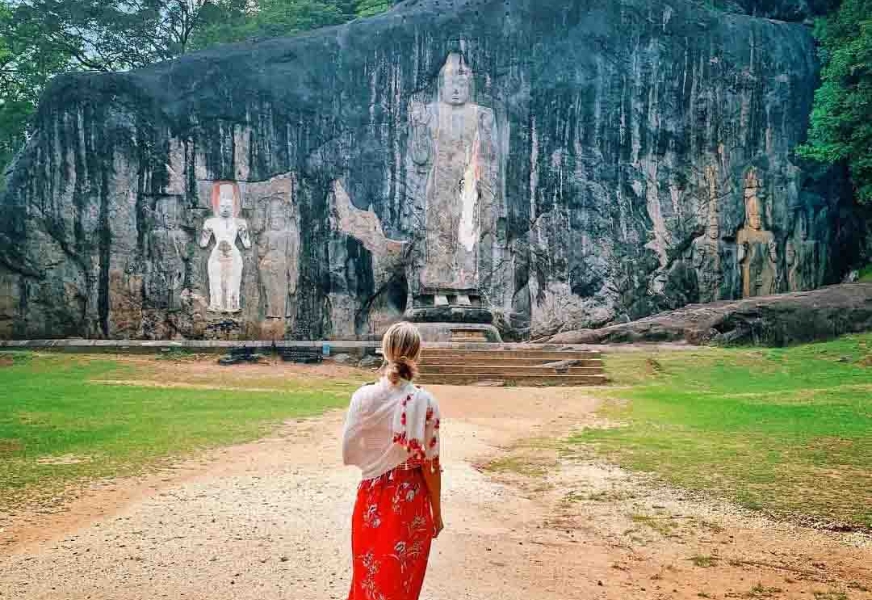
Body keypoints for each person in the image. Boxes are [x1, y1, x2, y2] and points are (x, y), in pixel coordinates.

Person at [342, 322, 443, 600]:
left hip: (370, 496)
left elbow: (350, 448)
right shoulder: (424, 401)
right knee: (402, 584)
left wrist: (377, 463)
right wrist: (437, 511)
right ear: (418, 353)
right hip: (410, 498)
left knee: (368, 579)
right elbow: (431, 464)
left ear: (385, 351)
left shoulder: (363, 397)